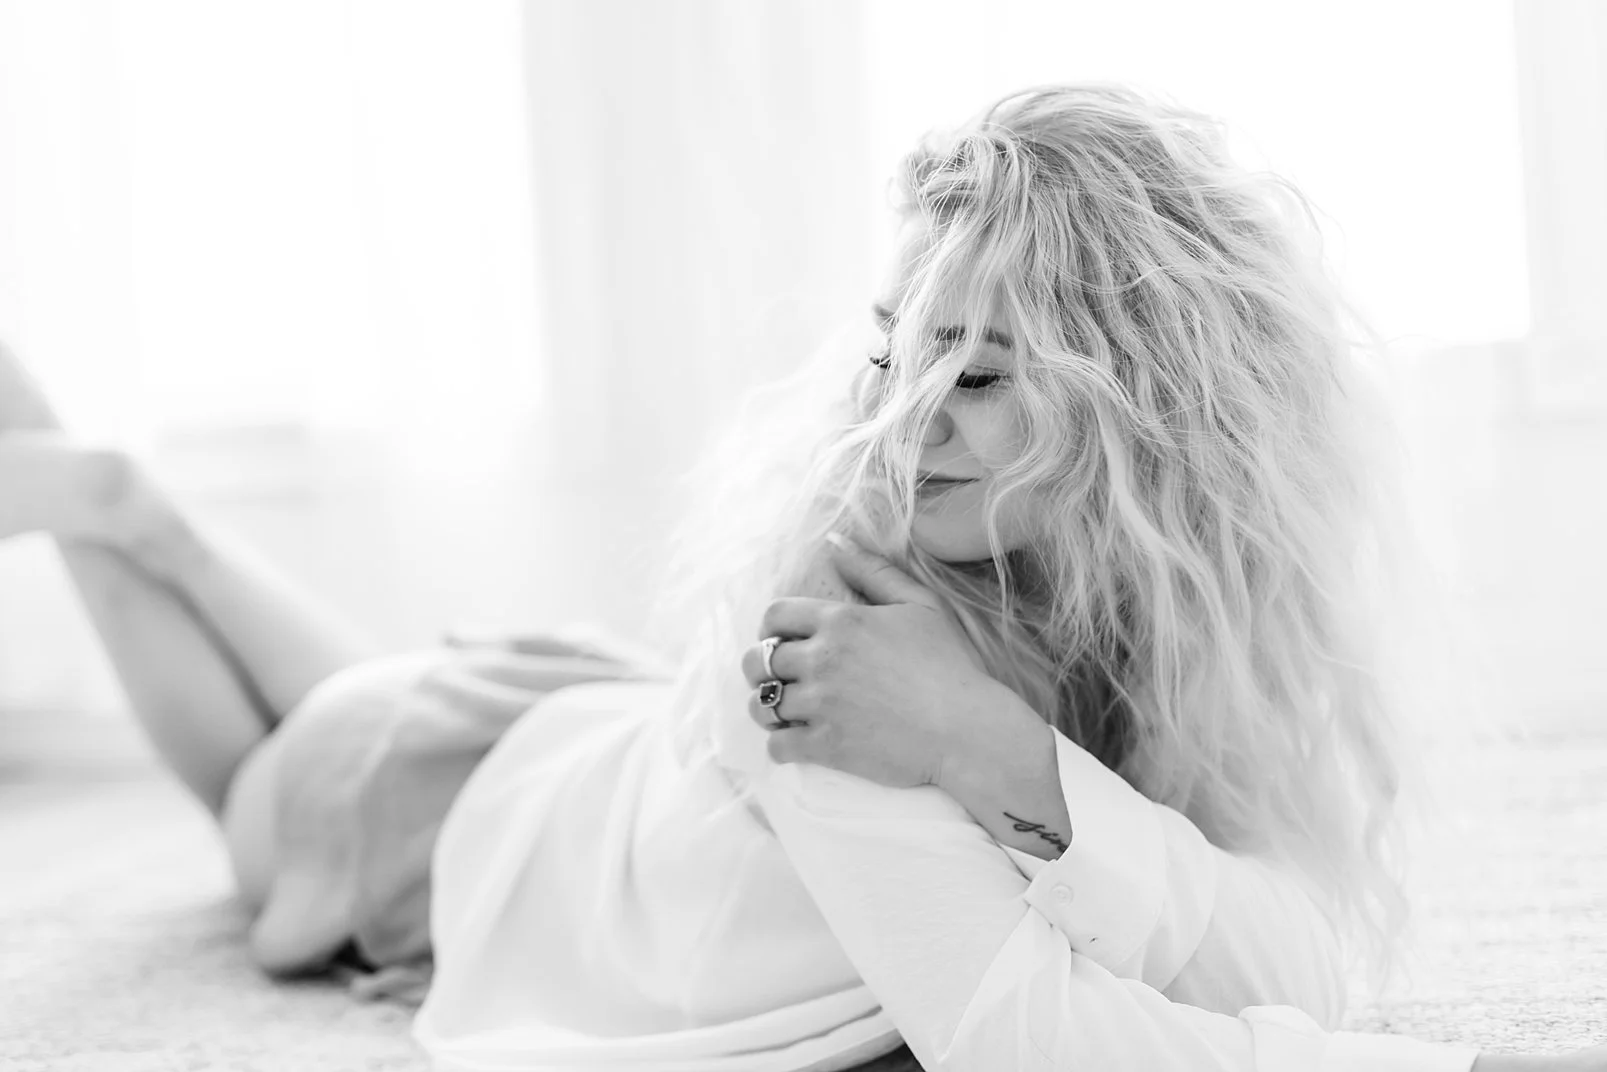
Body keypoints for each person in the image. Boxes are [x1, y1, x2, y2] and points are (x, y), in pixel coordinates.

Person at [0, 82, 1600, 1072]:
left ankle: (142, 521)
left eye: (978, 381)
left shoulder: (1182, 606)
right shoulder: (837, 622)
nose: (907, 429)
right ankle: (113, 511)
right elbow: (1025, 1038)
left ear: (1155, 410)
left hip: (585, 749)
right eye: (901, 357)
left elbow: (1298, 957)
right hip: (468, 830)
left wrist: (994, 752)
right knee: (254, 797)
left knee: (357, 698)